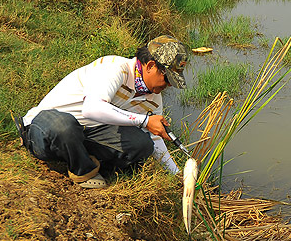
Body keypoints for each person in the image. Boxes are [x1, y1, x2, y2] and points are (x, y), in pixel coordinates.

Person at [16, 36, 189, 189]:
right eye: (167, 79)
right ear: (151, 66)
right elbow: (92, 108)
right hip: (46, 128)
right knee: (64, 127)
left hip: (86, 135)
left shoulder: (152, 97)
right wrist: (144, 121)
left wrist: (176, 174)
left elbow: (155, 136)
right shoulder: (115, 68)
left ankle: (81, 157)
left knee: (142, 143)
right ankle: (84, 171)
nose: (167, 86)